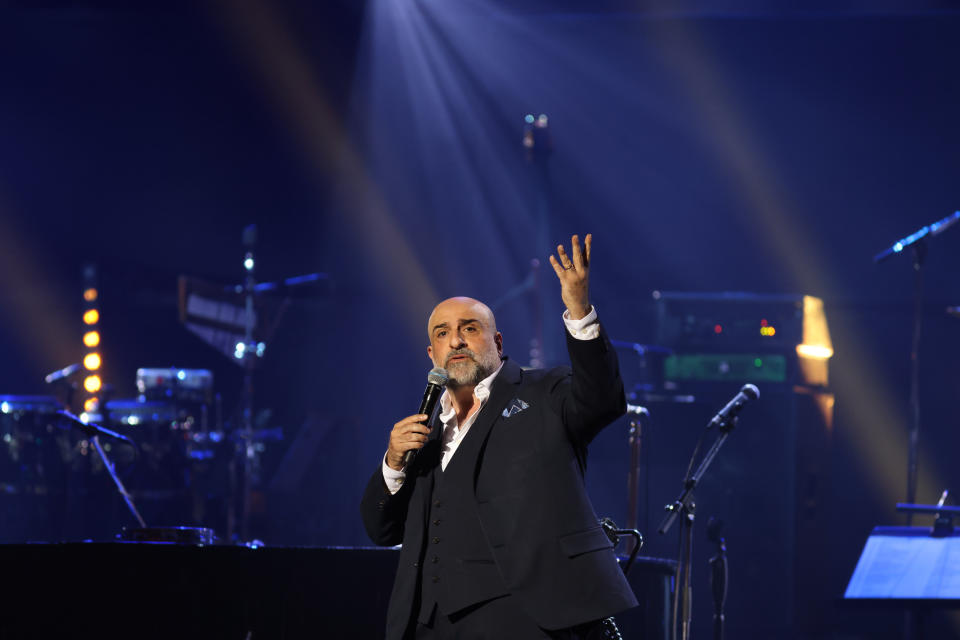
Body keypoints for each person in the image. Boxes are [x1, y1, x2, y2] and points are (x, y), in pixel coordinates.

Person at [360, 234, 636, 639]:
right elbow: (381, 531)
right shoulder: (425, 432)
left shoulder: (544, 392)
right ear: (431, 355)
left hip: (525, 618)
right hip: (427, 624)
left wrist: (579, 311)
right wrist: (393, 464)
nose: (455, 340)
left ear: (497, 342)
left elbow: (602, 400)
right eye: (442, 333)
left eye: (469, 328)